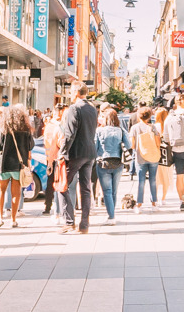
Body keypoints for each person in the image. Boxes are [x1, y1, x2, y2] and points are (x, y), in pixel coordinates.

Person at [58, 81, 98, 234]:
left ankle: (69, 222)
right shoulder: (92, 109)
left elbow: (69, 134)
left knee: (62, 185)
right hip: (90, 152)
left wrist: (62, 152)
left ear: (75, 92)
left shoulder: (74, 108)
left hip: (76, 153)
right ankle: (84, 224)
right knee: (86, 188)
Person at [0, 103, 33, 229]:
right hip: (19, 164)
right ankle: (13, 220)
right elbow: (30, 146)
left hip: (4, 163)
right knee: (16, 193)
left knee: (0, 189)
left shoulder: (3, 128)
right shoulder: (25, 129)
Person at [95, 106, 131, 224]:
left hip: (103, 163)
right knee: (114, 191)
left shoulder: (99, 130)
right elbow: (129, 145)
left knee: (107, 191)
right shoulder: (121, 130)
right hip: (118, 163)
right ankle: (112, 215)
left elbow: (95, 147)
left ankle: (111, 216)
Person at [129, 106, 163, 209]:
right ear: (149, 116)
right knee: (153, 180)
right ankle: (154, 202)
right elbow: (158, 143)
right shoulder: (153, 127)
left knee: (141, 181)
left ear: (139, 116)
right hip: (153, 156)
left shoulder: (134, 128)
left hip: (140, 157)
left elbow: (132, 145)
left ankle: (139, 203)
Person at [43, 105, 64, 215]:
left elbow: (46, 142)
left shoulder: (49, 126)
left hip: (50, 157)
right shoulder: (60, 125)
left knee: (50, 182)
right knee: (62, 181)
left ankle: (48, 206)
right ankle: (57, 206)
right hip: (59, 157)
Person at [154, 107, 176, 205]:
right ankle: (163, 198)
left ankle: (155, 198)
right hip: (167, 154)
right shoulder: (169, 125)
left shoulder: (155, 126)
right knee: (166, 177)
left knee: (156, 177)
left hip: (157, 154)